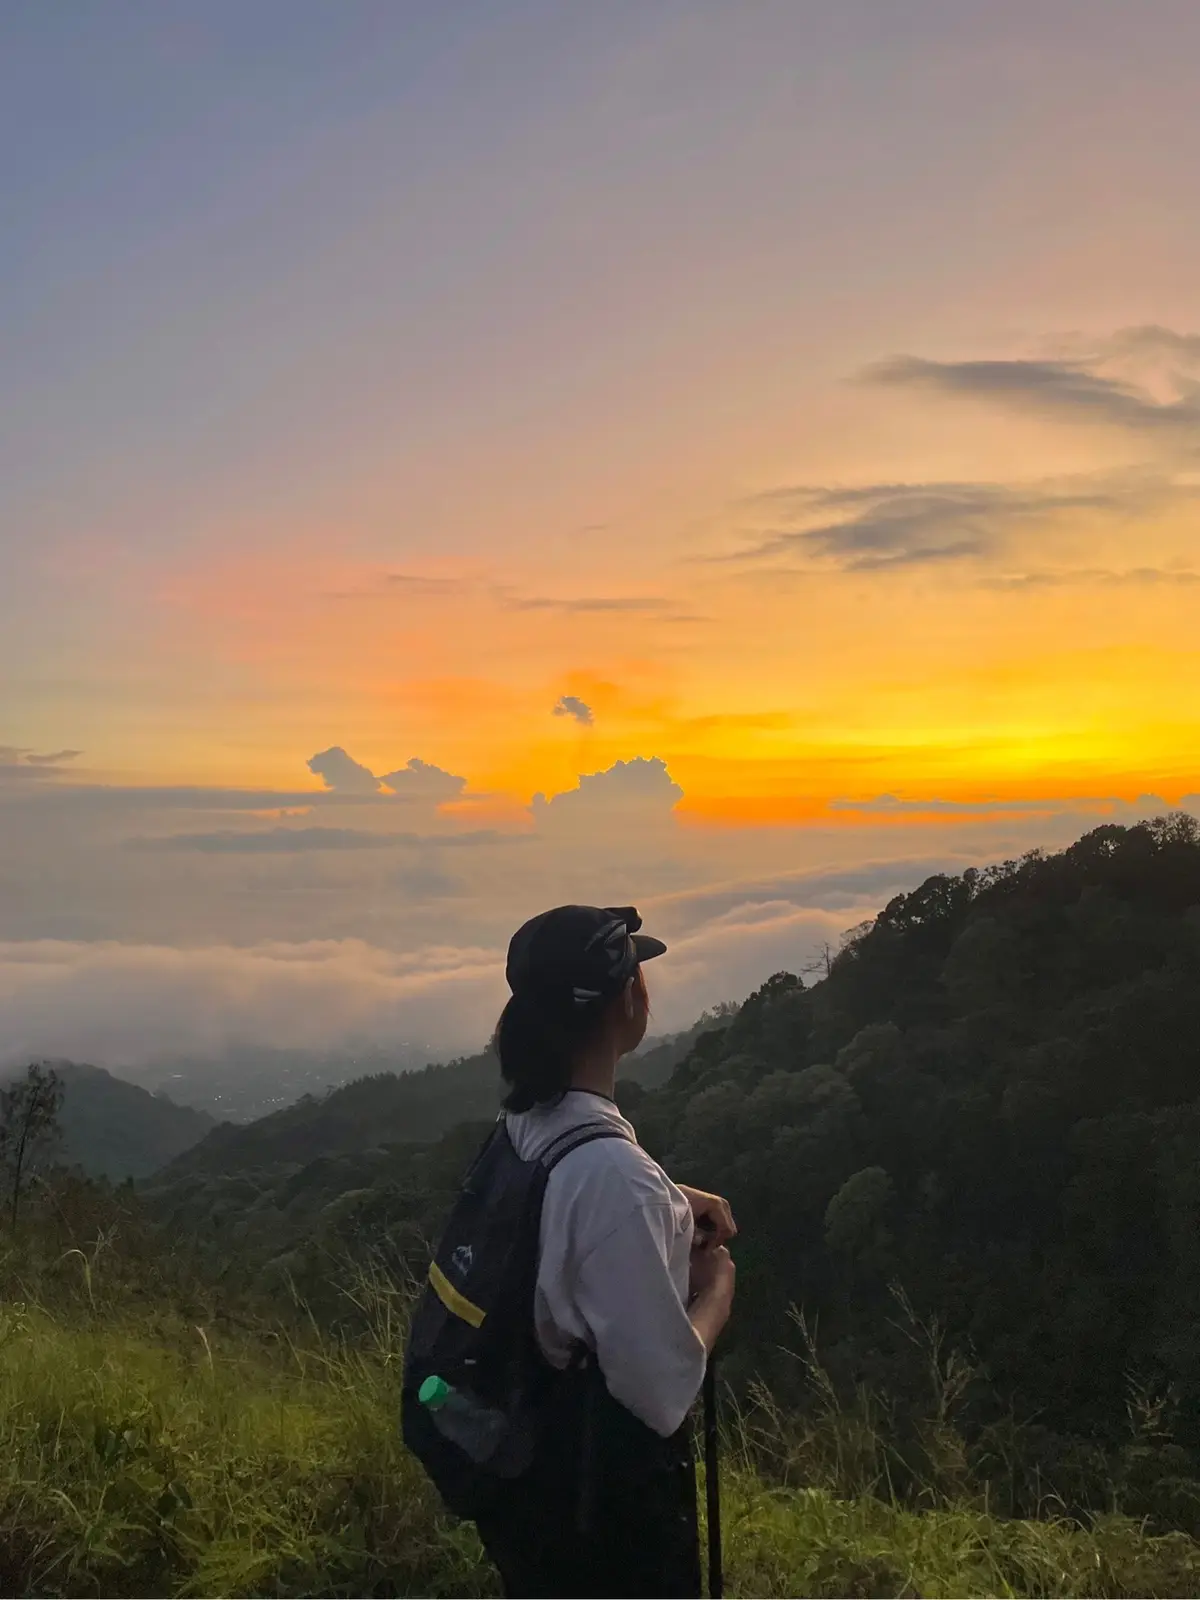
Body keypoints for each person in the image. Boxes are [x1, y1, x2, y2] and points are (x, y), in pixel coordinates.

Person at [473, 904, 737, 1599]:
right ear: (629, 999)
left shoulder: (524, 1124)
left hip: (531, 1492)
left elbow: (561, 1217)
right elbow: (661, 1393)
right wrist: (714, 1291)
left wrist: (670, 1204)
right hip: (600, 1517)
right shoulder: (616, 1178)